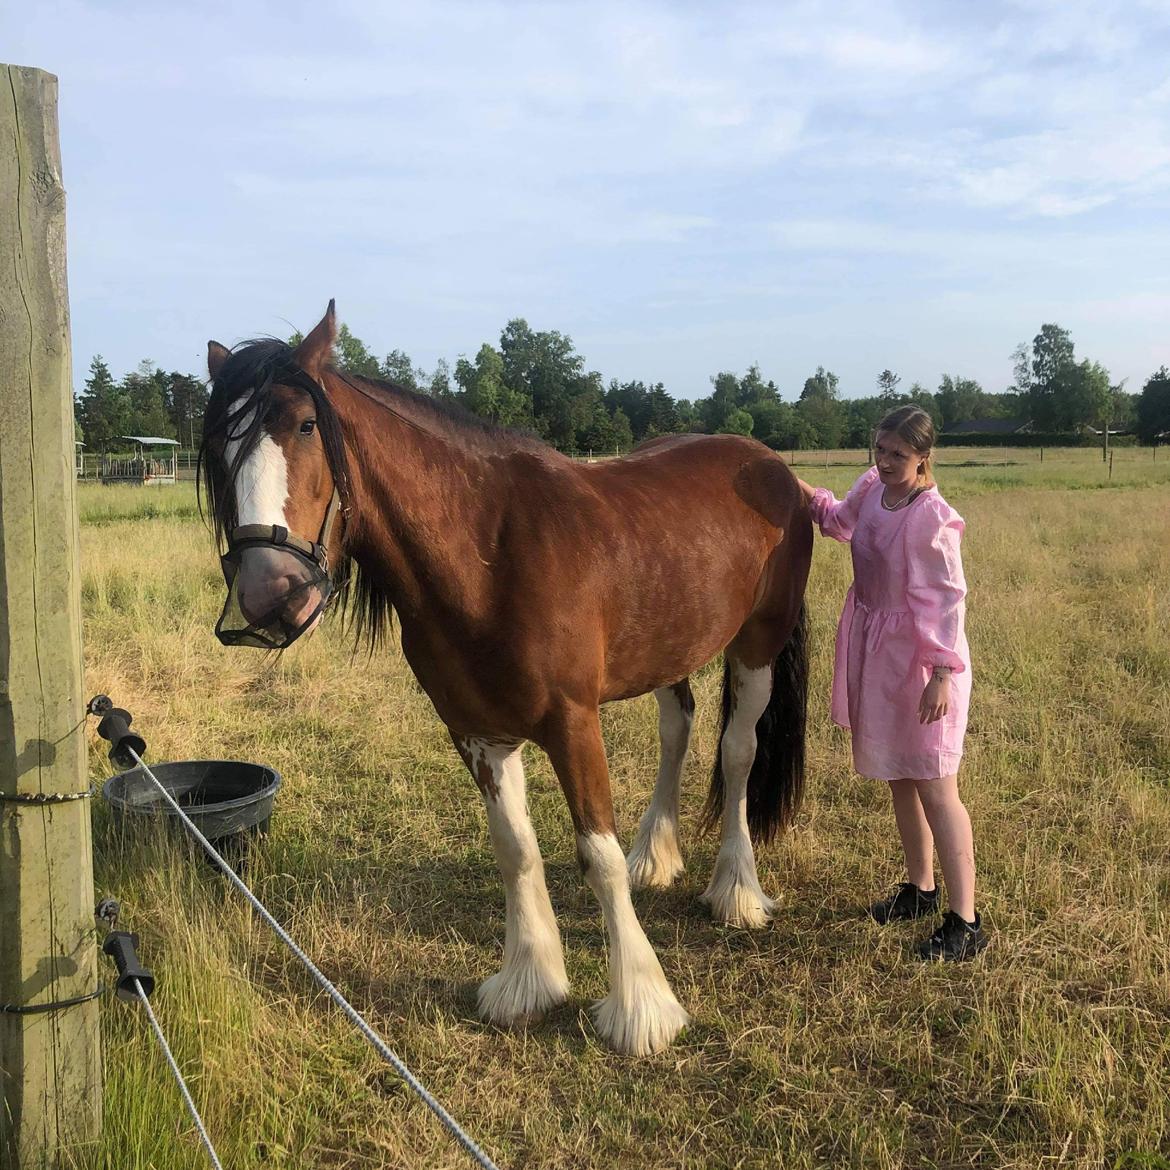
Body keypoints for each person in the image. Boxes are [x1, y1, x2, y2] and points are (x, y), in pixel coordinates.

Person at [796, 406, 988, 961]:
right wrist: (793, 484)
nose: (884, 461)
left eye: (897, 454)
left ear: (924, 457)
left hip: (925, 666)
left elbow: (947, 601)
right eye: (879, 449)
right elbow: (838, 520)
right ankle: (921, 889)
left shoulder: (933, 518)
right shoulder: (872, 488)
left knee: (937, 787)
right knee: (900, 778)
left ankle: (966, 921)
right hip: (879, 654)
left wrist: (942, 674)